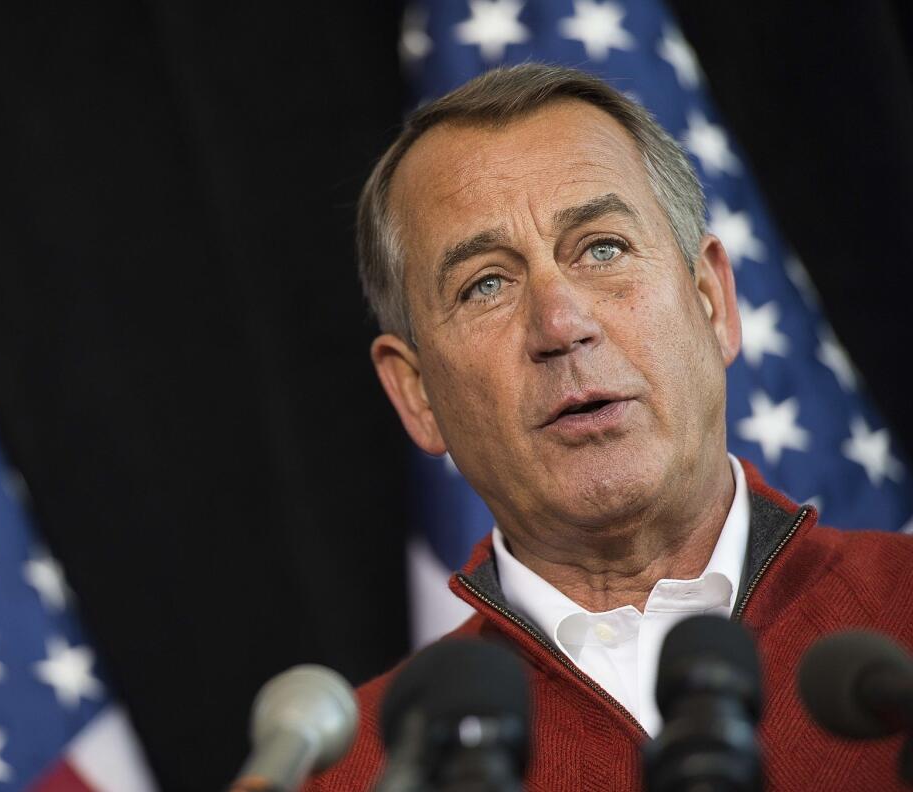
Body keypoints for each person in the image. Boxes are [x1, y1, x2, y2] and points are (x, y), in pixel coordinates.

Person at [304, 64, 913, 791]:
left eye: (602, 248)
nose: (561, 324)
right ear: (418, 395)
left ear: (712, 301)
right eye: (486, 285)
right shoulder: (365, 773)